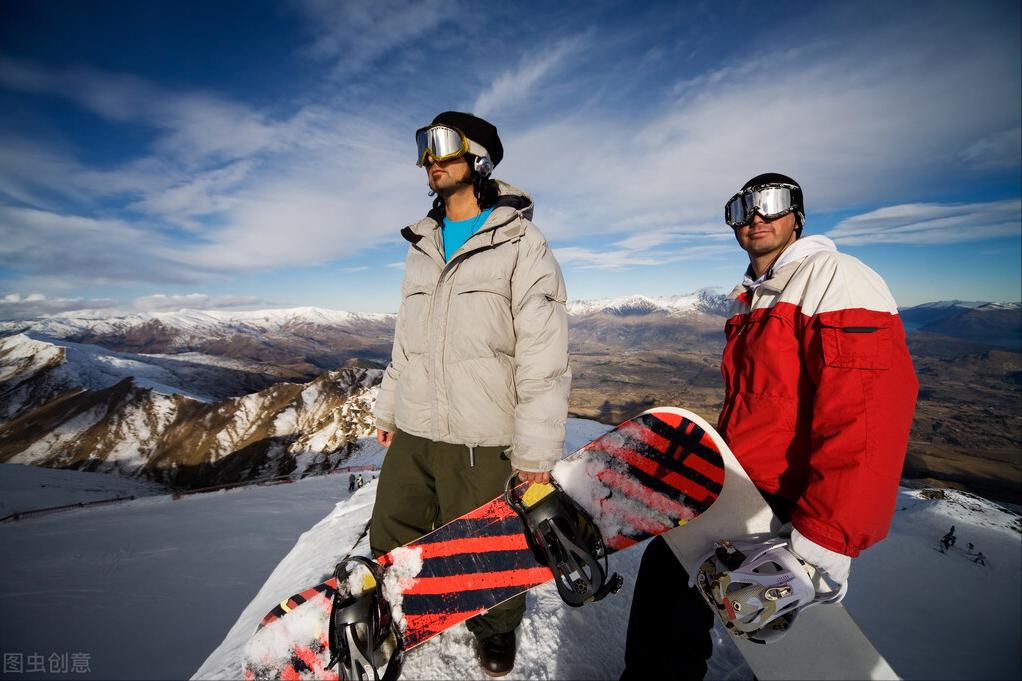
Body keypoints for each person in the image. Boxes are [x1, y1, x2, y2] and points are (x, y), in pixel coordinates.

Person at [621, 173, 918, 679]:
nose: (755, 216)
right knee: (669, 590)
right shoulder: (758, 294)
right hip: (739, 489)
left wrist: (826, 537)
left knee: (684, 596)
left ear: (797, 216)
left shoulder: (835, 276)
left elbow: (868, 411)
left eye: (772, 203)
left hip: (787, 501)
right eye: (742, 208)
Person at [370, 111, 570, 677]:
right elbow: (404, 342)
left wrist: (534, 454)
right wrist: (389, 406)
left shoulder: (521, 244)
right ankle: (401, 614)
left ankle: (495, 630)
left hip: (482, 435)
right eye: (423, 149)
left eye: (443, 147)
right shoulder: (423, 245)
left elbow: (543, 356)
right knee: (392, 530)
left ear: (478, 159)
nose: (431, 161)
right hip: (415, 427)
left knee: (491, 547)